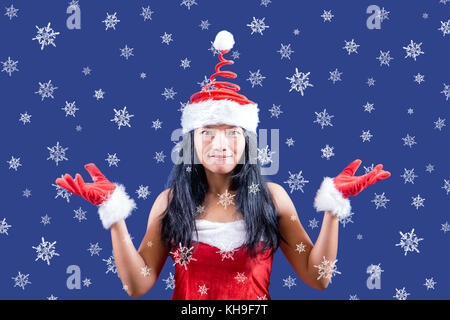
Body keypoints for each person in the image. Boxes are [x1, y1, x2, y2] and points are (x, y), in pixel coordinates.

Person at [55, 30, 391, 300]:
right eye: (208, 133)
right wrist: (114, 215)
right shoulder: (170, 203)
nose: (220, 144)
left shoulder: (272, 199)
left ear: (246, 140)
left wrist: (334, 208)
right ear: (192, 140)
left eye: (232, 132)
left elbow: (318, 278)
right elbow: (137, 286)